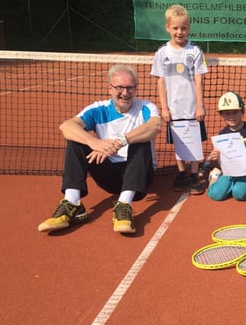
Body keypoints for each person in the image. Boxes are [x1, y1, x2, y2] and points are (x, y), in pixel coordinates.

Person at [38, 64, 161, 234]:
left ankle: (124, 205)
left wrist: (120, 141)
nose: (125, 93)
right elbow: (66, 126)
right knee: (76, 140)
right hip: (109, 175)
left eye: (130, 88)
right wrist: (93, 143)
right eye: (119, 87)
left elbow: (155, 126)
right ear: (109, 88)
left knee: (141, 140)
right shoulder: (97, 109)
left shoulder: (146, 107)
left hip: (140, 176)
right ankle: (72, 203)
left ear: (135, 88)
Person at [151, 4, 208, 195]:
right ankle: (182, 173)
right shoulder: (161, 53)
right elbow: (160, 81)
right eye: (175, 28)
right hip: (173, 110)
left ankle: (193, 176)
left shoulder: (195, 51)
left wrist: (200, 105)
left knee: (194, 142)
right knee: (179, 143)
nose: (179, 32)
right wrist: (164, 108)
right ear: (167, 27)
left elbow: (199, 80)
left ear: (188, 28)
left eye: (183, 28)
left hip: (192, 109)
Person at [207, 92, 246, 201]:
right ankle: (214, 177)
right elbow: (220, 160)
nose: (231, 116)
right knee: (215, 195)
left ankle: (245, 185)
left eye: (235, 112)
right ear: (221, 115)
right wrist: (215, 157)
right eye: (227, 113)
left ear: (242, 112)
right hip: (229, 172)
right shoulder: (222, 134)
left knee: (239, 194)